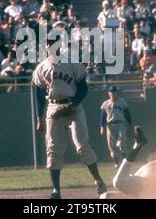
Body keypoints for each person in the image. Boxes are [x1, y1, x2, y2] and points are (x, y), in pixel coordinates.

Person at [32, 23, 106, 199]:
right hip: (53, 107)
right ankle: (56, 191)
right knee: (53, 150)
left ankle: (98, 180)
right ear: (47, 46)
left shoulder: (72, 63)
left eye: (54, 42)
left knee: (82, 147)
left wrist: (74, 103)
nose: (51, 46)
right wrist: (38, 117)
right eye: (49, 43)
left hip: (73, 106)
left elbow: (83, 88)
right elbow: (38, 93)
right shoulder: (41, 68)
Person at [99, 86, 133, 168]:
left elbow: (127, 114)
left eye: (114, 92)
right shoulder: (105, 103)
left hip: (121, 124)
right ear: (109, 93)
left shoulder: (122, 102)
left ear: (116, 93)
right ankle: (116, 162)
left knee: (121, 143)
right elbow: (102, 116)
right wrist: (102, 127)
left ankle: (125, 162)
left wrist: (131, 124)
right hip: (110, 125)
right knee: (112, 146)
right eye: (111, 92)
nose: (113, 93)